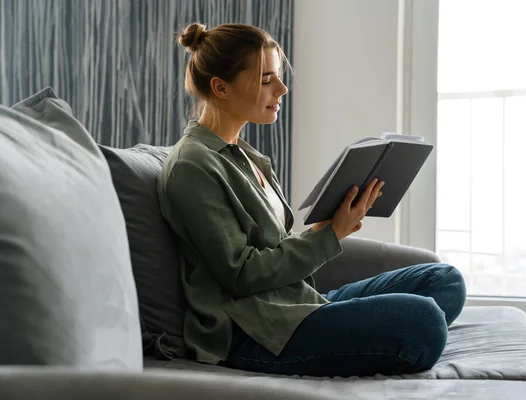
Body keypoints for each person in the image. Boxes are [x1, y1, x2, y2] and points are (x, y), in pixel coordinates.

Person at [157, 22, 467, 377]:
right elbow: (241, 274)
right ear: (220, 87)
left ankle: (377, 339)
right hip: (256, 332)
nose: (282, 88)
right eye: (265, 79)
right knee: (424, 319)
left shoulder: (242, 155)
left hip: (294, 306)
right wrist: (329, 235)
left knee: (445, 280)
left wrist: (328, 226)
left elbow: (275, 248)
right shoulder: (192, 166)